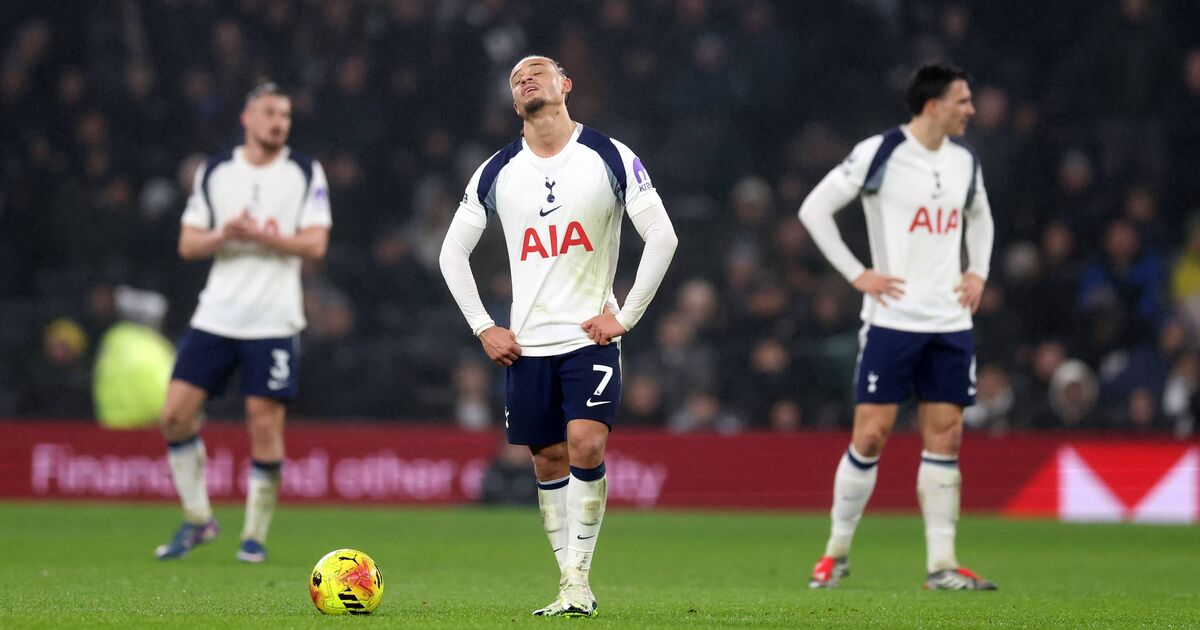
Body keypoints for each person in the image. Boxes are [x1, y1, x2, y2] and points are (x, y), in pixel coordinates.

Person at [439, 55, 677, 617]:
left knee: (586, 444)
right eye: (516, 78)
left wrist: (626, 316)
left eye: (537, 71)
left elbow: (662, 236)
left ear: (565, 85)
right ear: (513, 101)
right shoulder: (497, 170)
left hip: (589, 337)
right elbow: (452, 253)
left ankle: (579, 581)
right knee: (547, 461)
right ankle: (567, 580)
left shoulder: (609, 155)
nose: (526, 78)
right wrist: (483, 326)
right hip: (526, 344)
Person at [798, 63, 997, 590]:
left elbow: (980, 216)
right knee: (870, 434)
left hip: (950, 321)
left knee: (947, 436)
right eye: (962, 100)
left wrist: (978, 270)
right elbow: (814, 209)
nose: (971, 109)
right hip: (893, 319)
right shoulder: (880, 152)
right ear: (933, 105)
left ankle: (942, 565)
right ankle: (835, 553)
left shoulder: (964, 160)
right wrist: (857, 274)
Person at [154, 82, 332, 563]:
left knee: (264, 421)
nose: (278, 123)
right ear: (247, 118)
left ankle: (253, 536)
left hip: (274, 318)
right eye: (270, 113)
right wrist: (223, 234)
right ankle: (198, 520)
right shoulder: (217, 171)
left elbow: (315, 244)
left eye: (285, 115)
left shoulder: (303, 171)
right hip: (217, 314)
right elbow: (188, 243)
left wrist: (262, 237)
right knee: (174, 416)